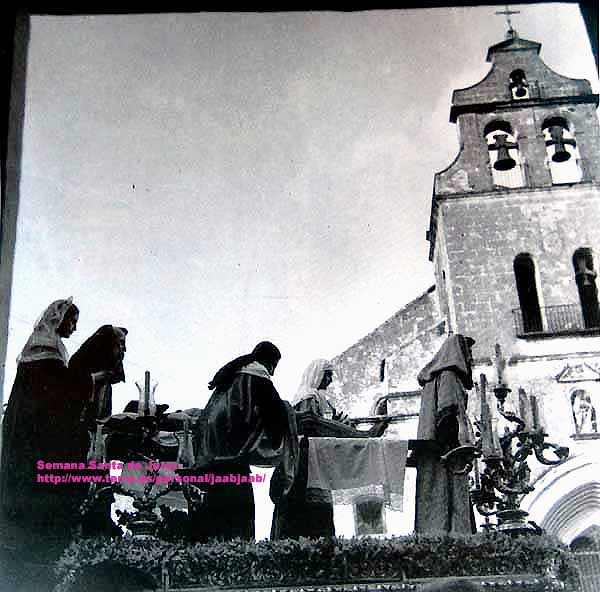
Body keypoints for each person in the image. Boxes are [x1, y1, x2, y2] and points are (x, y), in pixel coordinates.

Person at [190, 341, 287, 541]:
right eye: (273, 366)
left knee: (211, 530)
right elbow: (277, 417)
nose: (273, 373)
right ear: (267, 361)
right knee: (237, 530)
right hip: (234, 467)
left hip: (207, 465)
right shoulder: (258, 378)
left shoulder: (228, 378)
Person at [0, 298, 81, 535]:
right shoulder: (46, 349)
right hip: (33, 426)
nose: (74, 328)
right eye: (72, 322)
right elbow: (56, 392)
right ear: (60, 320)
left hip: (26, 422)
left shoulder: (44, 345)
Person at [414, 334, 477, 535]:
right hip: (446, 452)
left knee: (434, 499)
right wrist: (457, 448)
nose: (471, 359)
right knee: (450, 501)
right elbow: (447, 413)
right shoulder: (449, 375)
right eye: (469, 353)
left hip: (435, 451)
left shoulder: (435, 378)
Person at [270, 358, 338, 539]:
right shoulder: (309, 397)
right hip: (306, 460)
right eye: (327, 375)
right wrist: (335, 428)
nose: (330, 380)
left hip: (311, 459)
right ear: (318, 375)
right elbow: (311, 428)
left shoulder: (312, 397)